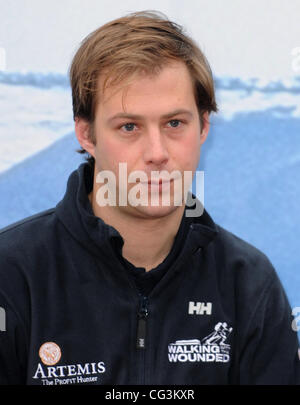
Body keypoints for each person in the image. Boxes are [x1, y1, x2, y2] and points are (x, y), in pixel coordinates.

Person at [0, 10, 299, 386]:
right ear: (87, 135)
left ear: (204, 126)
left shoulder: (249, 284)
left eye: (174, 123)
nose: (157, 152)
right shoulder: (12, 276)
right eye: (129, 127)